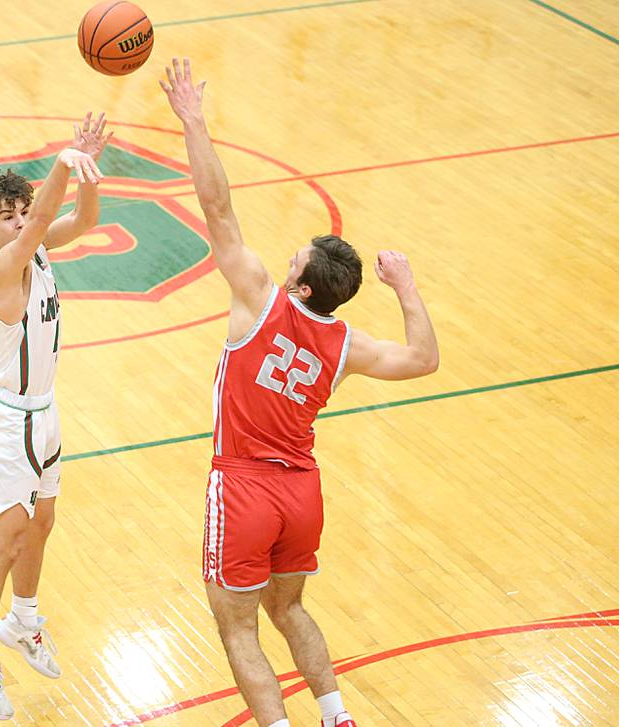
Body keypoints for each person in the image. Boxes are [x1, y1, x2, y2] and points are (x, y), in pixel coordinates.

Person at [160, 59, 439, 727]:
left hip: (246, 485)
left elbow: (218, 207)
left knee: (238, 628)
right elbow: (424, 359)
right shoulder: (348, 345)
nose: (289, 256)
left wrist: (194, 122)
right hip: (302, 490)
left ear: (304, 286)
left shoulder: (257, 298)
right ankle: (337, 715)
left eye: (298, 259)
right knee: (290, 607)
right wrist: (405, 288)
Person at [0, 113, 112, 720]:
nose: (22, 220)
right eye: (8, 216)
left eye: (23, 209)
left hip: (44, 415)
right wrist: (62, 162)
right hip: (7, 421)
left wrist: (87, 171)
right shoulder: (3, 268)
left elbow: (84, 219)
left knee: (41, 526)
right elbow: (46, 218)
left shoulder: (38, 250)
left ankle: (23, 623)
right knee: (5, 539)